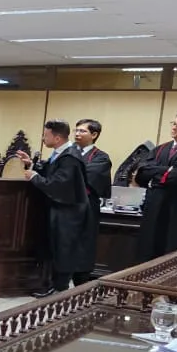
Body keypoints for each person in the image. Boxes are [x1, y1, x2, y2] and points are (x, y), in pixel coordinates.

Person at [18, 120, 96, 296]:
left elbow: (59, 185)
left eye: (46, 135)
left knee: (64, 249)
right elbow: (51, 172)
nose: (43, 138)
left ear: (57, 137)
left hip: (69, 213)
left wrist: (35, 178)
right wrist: (31, 164)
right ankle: (51, 284)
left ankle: (59, 288)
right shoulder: (61, 154)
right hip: (60, 211)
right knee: (56, 247)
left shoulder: (70, 158)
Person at [135, 110, 177, 262]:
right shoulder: (160, 149)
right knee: (148, 247)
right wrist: (166, 170)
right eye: (174, 124)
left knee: (173, 249)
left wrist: (157, 174)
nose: (174, 128)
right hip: (154, 206)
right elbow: (142, 171)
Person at [74, 118, 112, 281]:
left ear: (94, 134)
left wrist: (68, 173)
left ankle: (80, 281)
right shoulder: (68, 152)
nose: (77, 134)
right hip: (67, 204)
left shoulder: (101, 157)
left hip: (87, 206)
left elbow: (84, 175)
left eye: (82, 131)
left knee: (84, 243)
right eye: (76, 130)